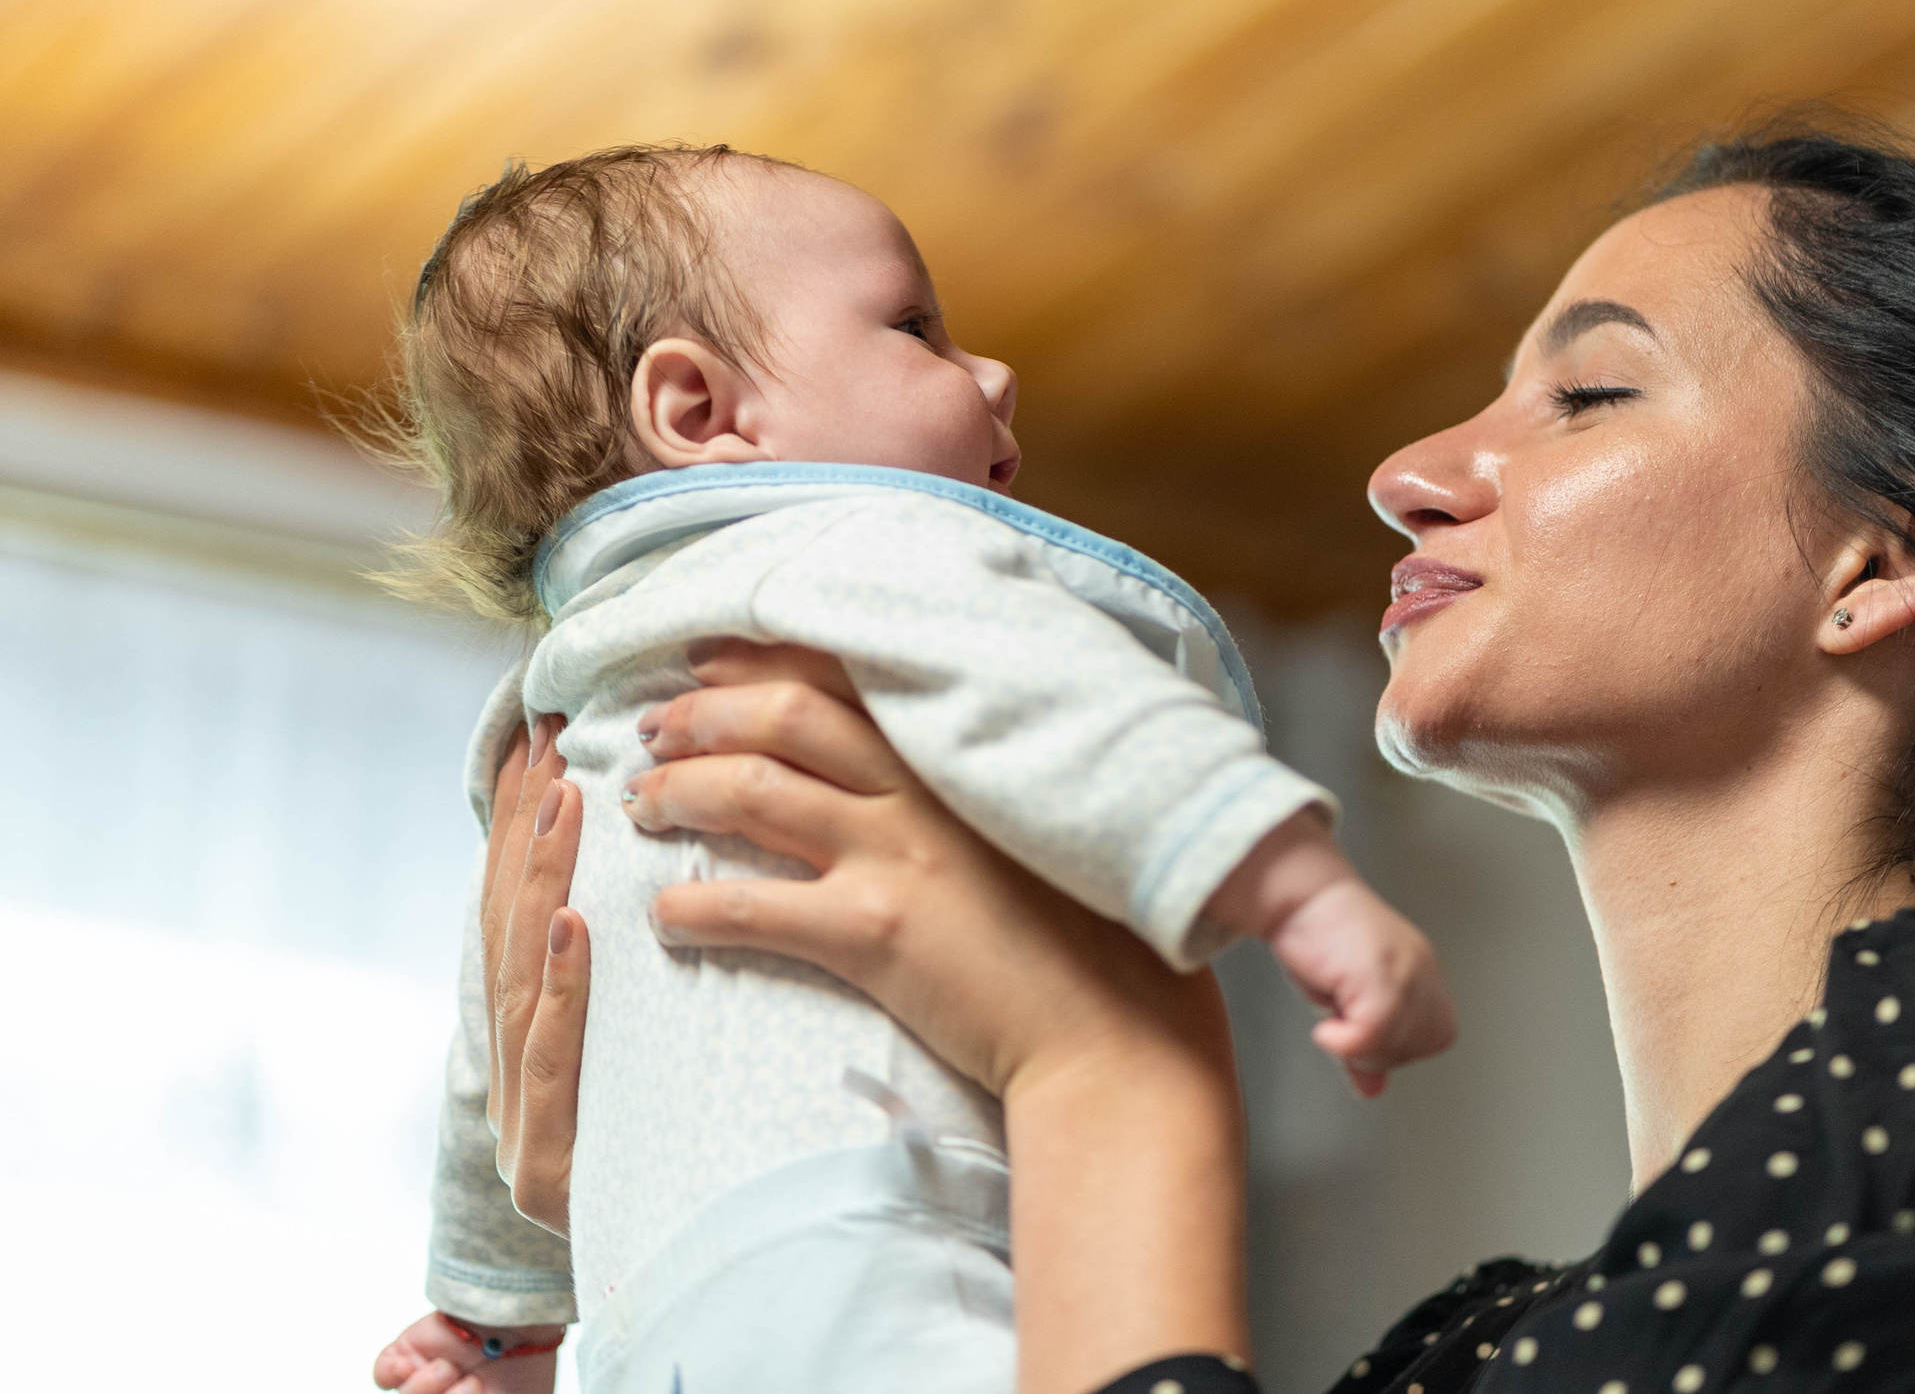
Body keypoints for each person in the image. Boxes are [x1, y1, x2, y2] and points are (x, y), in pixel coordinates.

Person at [467, 128, 1915, 1394]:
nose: (1410, 467)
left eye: (1588, 390)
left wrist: (1107, 1066)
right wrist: (674, 1228)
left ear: (1888, 557)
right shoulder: (1482, 1357)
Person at [369, 146, 1454, 1394]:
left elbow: (491, 1047)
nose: (992, 373)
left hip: (642, 1314)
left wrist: (494, 1320)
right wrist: (1301, 887)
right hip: (863, 1218)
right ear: (699, 411)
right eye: (915, 327)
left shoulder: (550, 715)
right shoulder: (855, 544)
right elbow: (1068, 696)